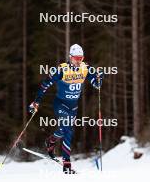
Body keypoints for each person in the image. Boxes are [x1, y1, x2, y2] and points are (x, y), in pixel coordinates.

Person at [29, 44, 103, 173]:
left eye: (81, 58)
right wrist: (36, 102)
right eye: (76, 58)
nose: (78, 61)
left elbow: (97, 85)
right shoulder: (62, 70)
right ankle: (67, 163)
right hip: (60, 104)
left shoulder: (85, 69)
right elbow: (45, 85)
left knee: (65, 130)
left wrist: (100, 77)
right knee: (68, 129)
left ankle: (51, 140)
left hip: (73, 106)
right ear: (70, 57)